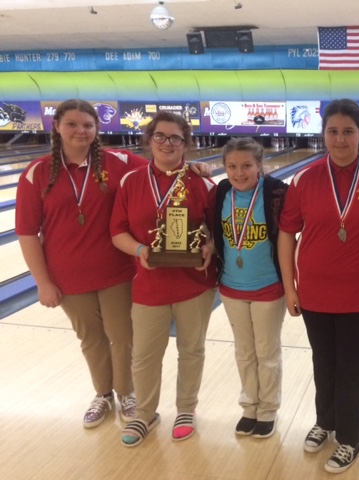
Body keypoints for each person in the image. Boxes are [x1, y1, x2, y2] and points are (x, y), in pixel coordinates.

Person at [278, 99, 359, 474]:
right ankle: (326, 421)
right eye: (332, 131)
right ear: (323, 134)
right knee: (324, 363)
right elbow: (287, 233)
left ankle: (351, 438)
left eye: (348, 131)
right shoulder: (304, 179)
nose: (340, 139)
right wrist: (291, 288)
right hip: (314, 293)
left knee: (352, 369)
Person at [15, 99, 148, 429]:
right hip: (67, 276)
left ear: (96, 130)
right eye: (72, 124)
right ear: (56, 127)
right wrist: (42, 283)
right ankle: (103, 393)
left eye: (87, 125)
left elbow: (159, 174)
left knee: (123, 335)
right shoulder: (38, 172)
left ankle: (127, 391)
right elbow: (27, 232)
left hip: (118, 270)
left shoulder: (120, 162)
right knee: (91, 339)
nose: (80, 130)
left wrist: (198, 168)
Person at [110, 111, 217, 447]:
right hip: (148, 285)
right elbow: (117, 232)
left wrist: (210, 245)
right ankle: (145, 413)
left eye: (175, 138)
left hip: (194, 285)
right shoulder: (132, 182)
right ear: (149, 139)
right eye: (160, 136)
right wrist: (141, 250)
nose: (167, 143)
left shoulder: (202, 182)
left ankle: (186, 409)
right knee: (144, 355)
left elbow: (218, 231)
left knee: (191, 350)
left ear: (186, 144)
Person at [212, 137, 288, 439]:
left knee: (267, 352)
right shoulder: (221, 192)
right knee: (244, 352)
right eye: (232, 166)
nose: (239, 172)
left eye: (246, 165)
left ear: (260, 165)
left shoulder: (276, 193)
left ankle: (268, 409)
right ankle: (249, 406)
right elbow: (210, 229)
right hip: (231, 286)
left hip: (268, 286)